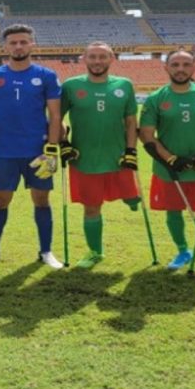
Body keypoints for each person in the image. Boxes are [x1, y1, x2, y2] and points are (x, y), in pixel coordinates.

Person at [0, 23, 63, 270]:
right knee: (0, 201)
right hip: (4, 152)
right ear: (5, 46)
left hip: (38, 152)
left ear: (32, 44)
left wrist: (52, 150)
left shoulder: (46, 75)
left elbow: (55, 116)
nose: (18, 46)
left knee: (42, 200)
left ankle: (46, 251)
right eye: (13, 42)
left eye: (23, 41)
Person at [139, 50, 195, 270]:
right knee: (173, 210)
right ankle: (182, 250)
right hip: (169, 169)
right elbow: (147, 136)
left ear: (194, 67)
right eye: (175, 64)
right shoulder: (156, 99)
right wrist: (170, 159)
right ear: (166, 67)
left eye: (186, 64)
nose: (181, 69)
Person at [60, 42, 140, 268]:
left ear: (111, 59)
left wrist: (131, 151)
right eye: (92, 57)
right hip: (84, 159)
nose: (97, 61)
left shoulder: (124, 85)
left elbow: (131, 120)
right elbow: (57, 117)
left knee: (131, 196)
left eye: (102, 57)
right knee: (92, 207)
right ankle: (95, 252)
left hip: (118, 157)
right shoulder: (71, 86)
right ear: (84, 59)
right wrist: (64, 143)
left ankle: (130, 196)